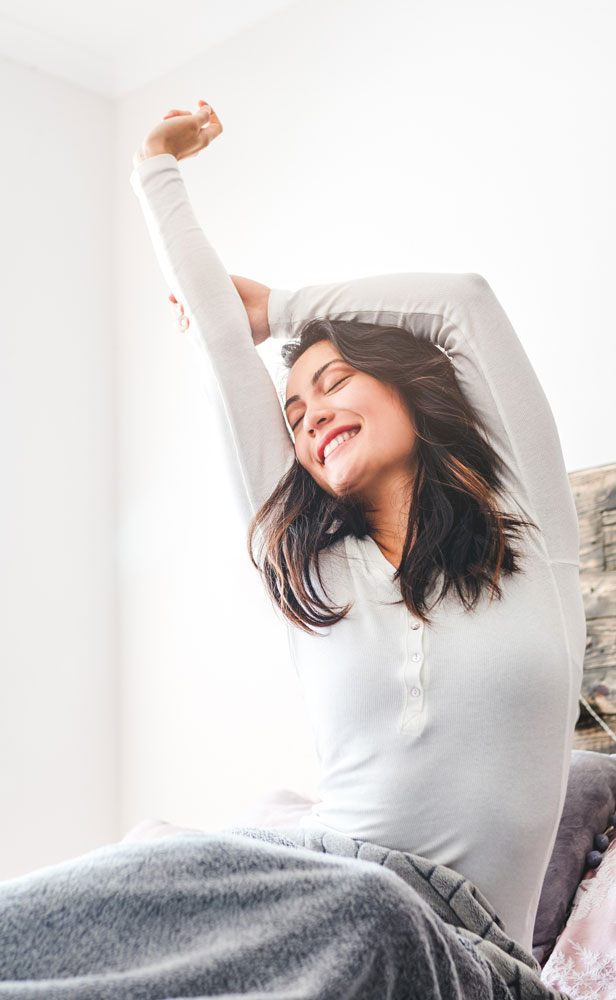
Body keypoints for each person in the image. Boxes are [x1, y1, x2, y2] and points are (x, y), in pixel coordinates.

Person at [129, 100, 586, 956]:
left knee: (376, 920)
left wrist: (286, 309)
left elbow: (465, 304)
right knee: (136, 874)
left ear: (406, 390)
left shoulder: (534, 539)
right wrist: (155, 168)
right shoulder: (312, 575)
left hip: (464, 958)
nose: (309, 416)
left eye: (337, 381)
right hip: (320, 903)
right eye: (294, 410)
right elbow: (220, 347)